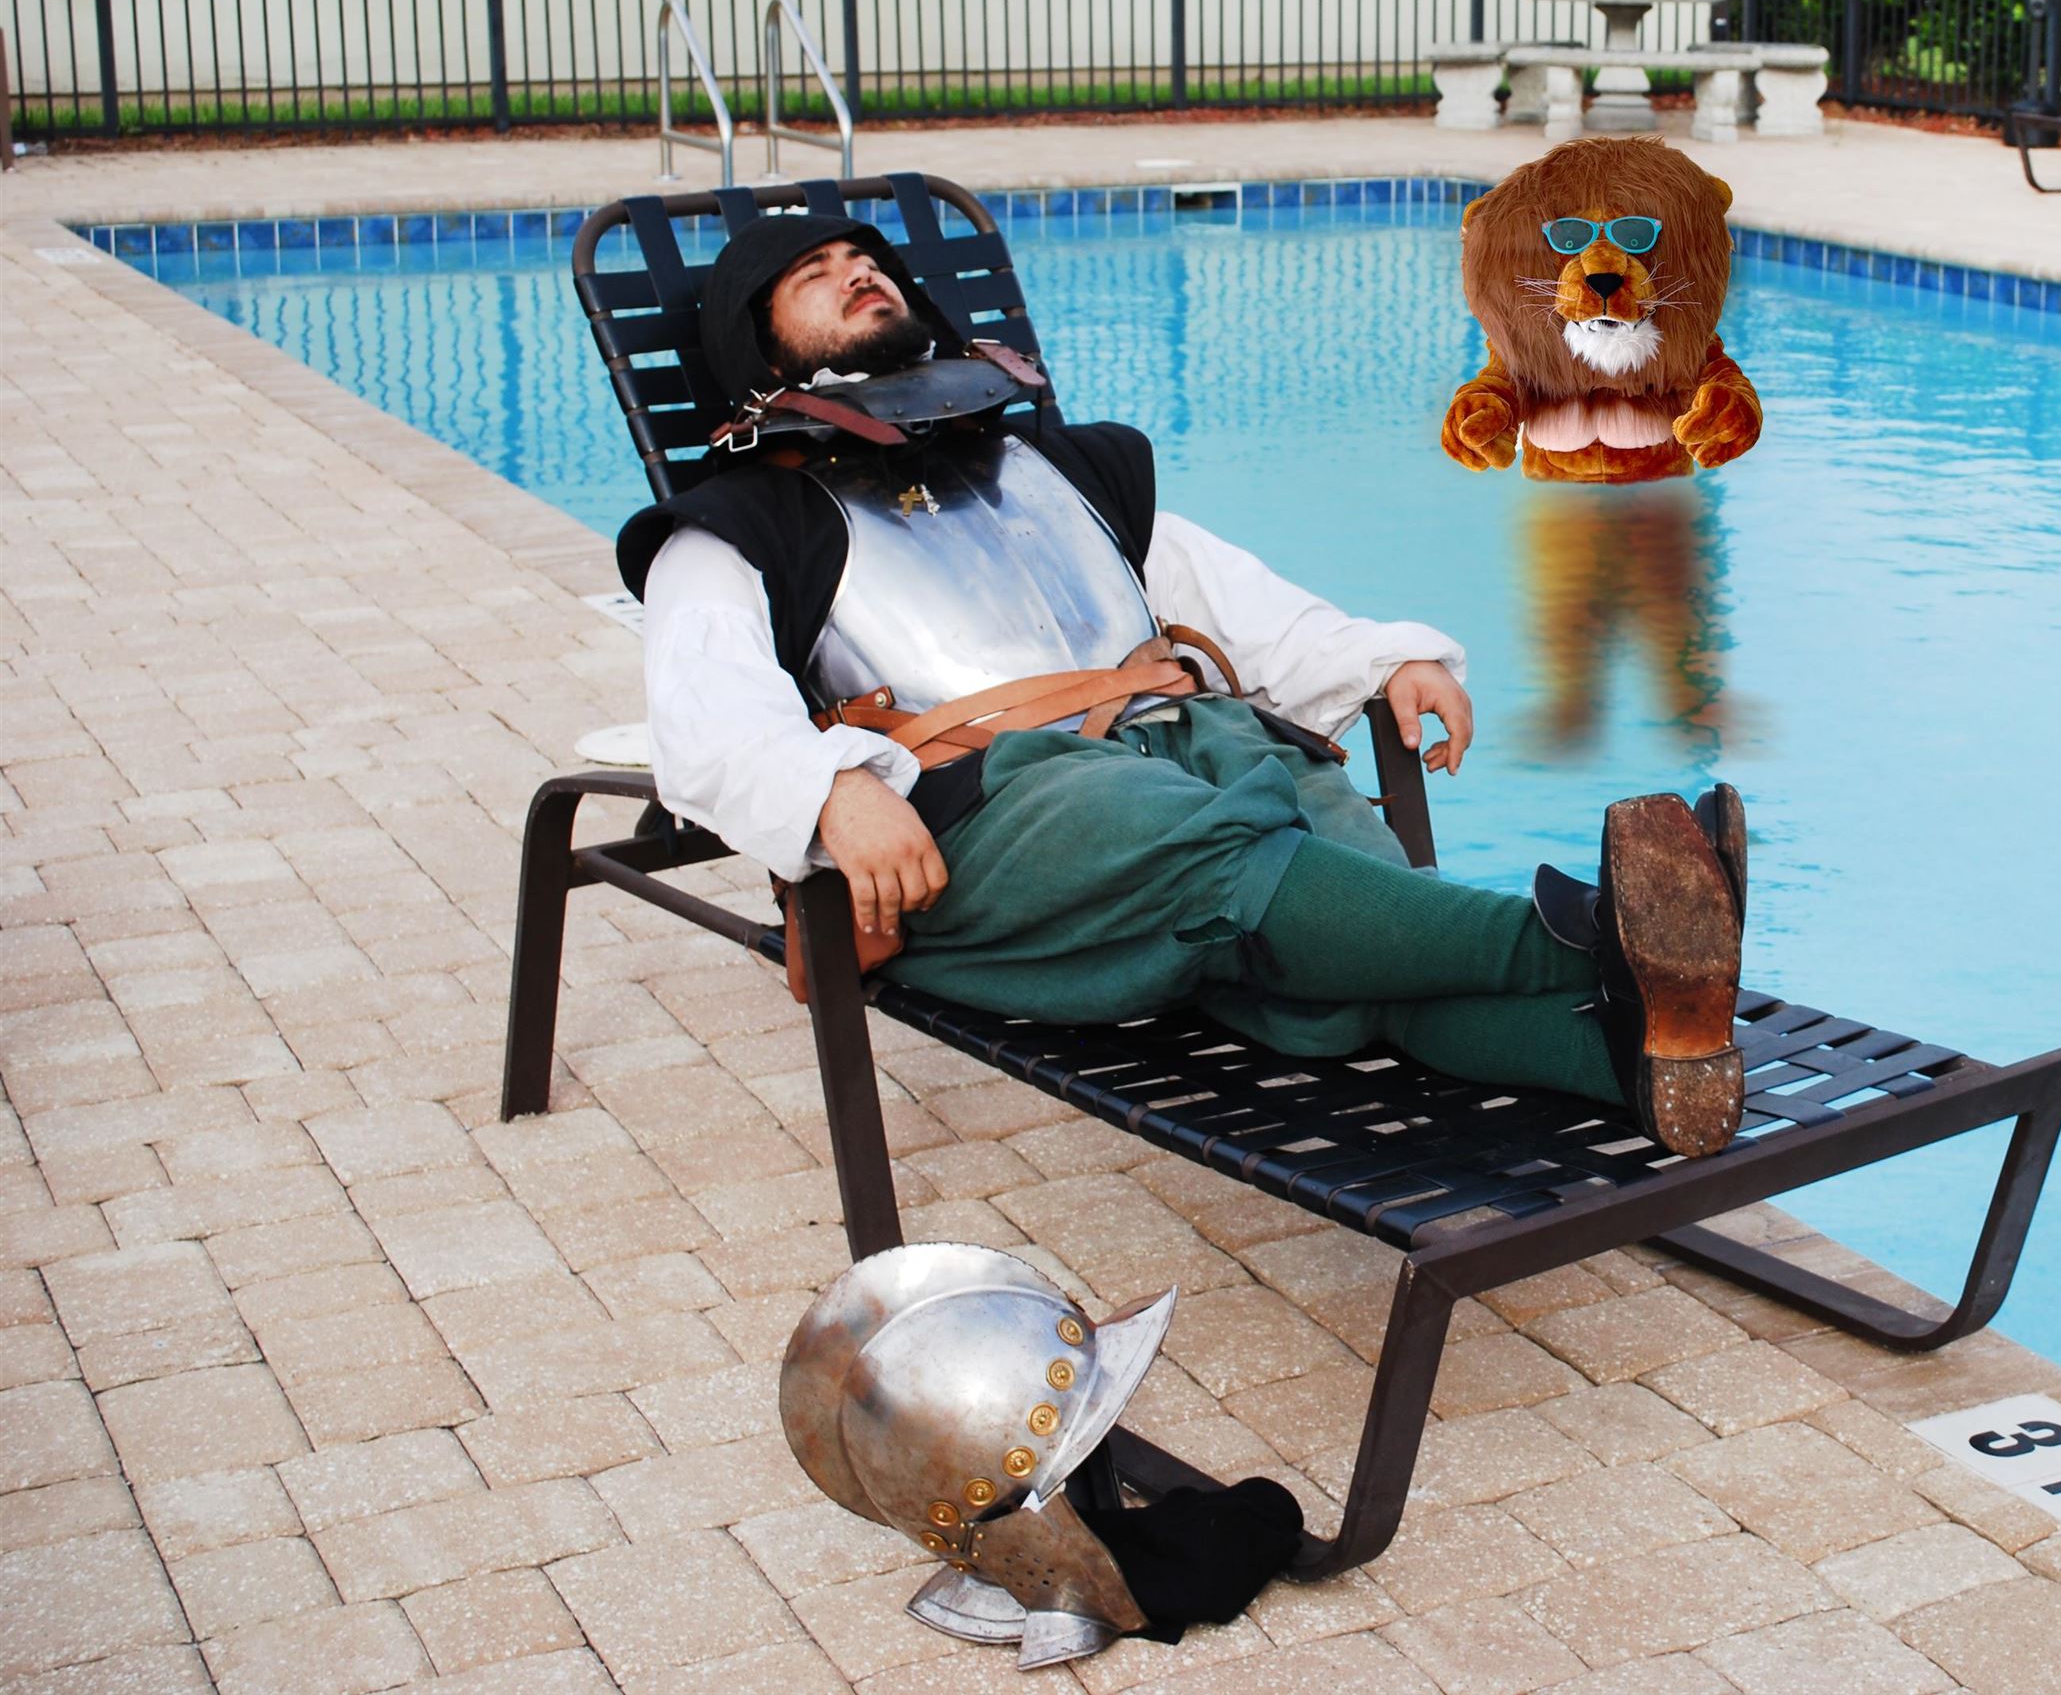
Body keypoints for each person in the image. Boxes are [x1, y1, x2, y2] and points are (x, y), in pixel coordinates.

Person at [620, 212, 1751, 1156]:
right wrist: (831, 790)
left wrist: (1380, 660)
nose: (856, 271)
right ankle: (1604, 937)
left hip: (1199, 750)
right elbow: (704, 718)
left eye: (866, 259)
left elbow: (1238, 603)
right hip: (989, 814)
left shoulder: (1057, 469)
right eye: (812, 277)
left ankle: (1649, 1065)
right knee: (1233, 864)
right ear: (762, 360)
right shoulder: (737, 530)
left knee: (1359, 948)